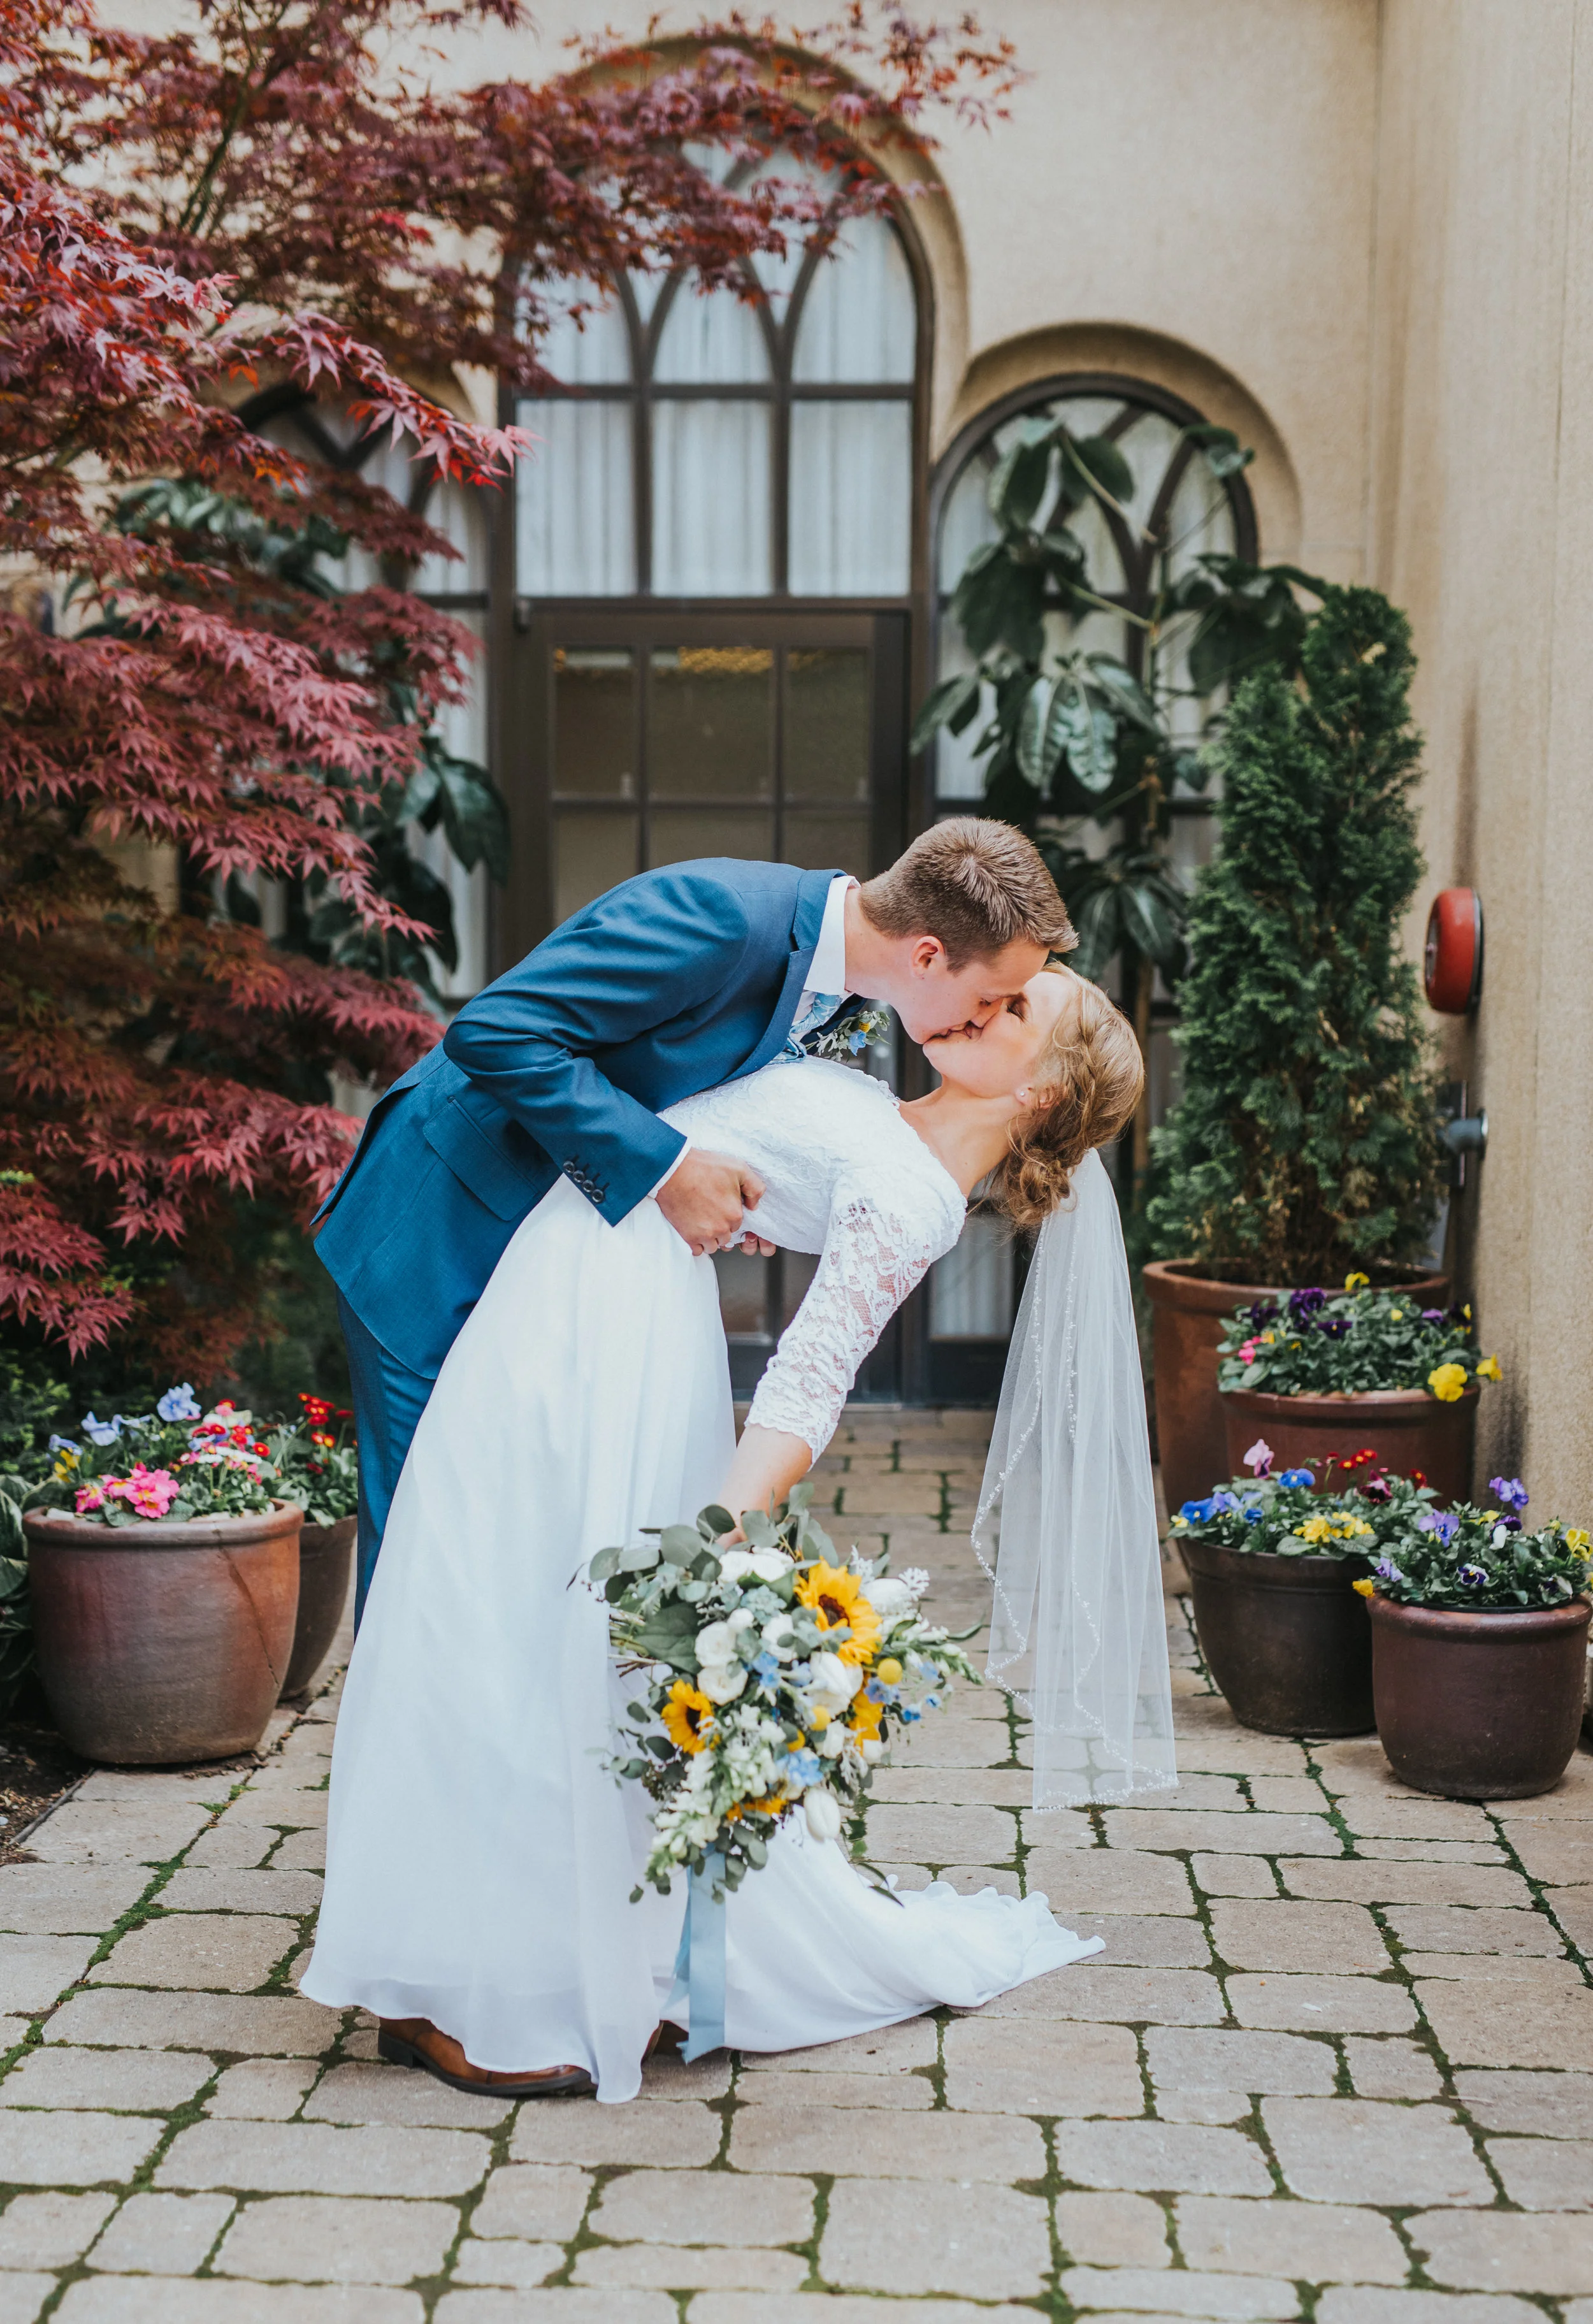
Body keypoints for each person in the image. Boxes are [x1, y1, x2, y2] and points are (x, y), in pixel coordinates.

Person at [301, 947, 1177, 2101]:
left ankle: (488, 1979)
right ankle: (440, 1967)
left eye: (1018, 1009)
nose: (981, 1002)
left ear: (1043, 1094)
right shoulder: (876, 1103)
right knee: (483, 1603)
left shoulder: (914, 1197)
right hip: (579, 1283)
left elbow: (811, 1381)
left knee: (525, 1623)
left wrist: (715, 1537)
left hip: (609, 1322)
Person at [312, 820, 1070, 1620]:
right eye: (988, 996)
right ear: (926, 956)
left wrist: (730, 1179)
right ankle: (405, 1746)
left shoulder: (835, 982)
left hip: (556, 1255)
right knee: (425, 1554)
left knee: (501, 1543)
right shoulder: (721, 914)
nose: (981, 1018)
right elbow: (496, 1032)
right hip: (441, 1228)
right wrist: (669, 1169)